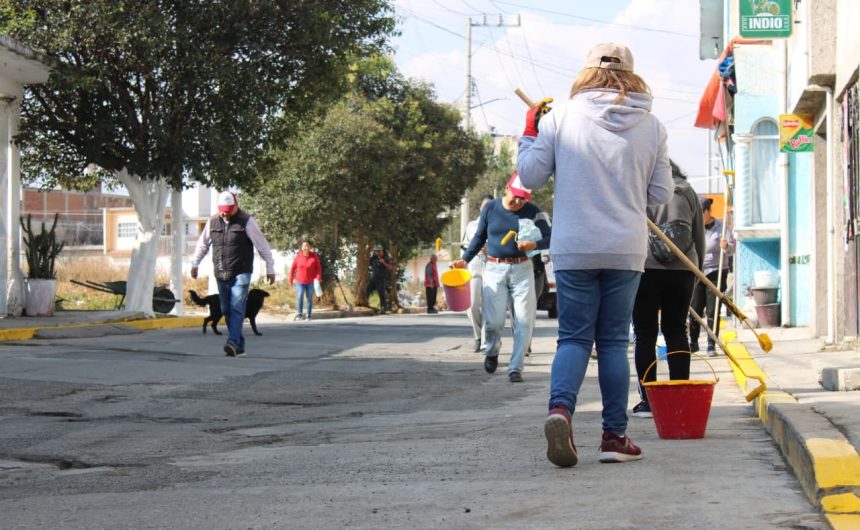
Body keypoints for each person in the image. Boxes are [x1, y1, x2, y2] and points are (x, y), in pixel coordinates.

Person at [517, 42, 674, 466]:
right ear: (632, 74)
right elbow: (661, 194)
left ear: (587, 72)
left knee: (573, 338)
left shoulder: (559, 118)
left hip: (575, 247)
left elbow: (529, 176)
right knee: (613, 342)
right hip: (624, 248)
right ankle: (614, 437)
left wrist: (530, 131)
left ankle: (560, 409)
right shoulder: (652, 126)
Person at [452, 173, 551, 383]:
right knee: (493, 321)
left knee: (524, 321)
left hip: (522, 270)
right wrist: (465, 260)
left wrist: (534, 245)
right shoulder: (491, 208)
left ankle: (516, 367)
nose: (518, 202)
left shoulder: (534, 212)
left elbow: (551, 236)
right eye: (515, 196)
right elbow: (479, 237)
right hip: (494, 269)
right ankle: (492, 350)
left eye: (523, 199)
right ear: (507, 188)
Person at [631, 160, 705, 419]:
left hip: (645, 268)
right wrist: (696, 273)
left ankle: (648, 401)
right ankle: (679, 398)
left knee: (645, 335)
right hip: (683, 269)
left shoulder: (638, 189)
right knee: (676, 331)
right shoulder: (687, 191)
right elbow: (698, 235)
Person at [191, 191, 276, 357]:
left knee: (237, 307)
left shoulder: (247, 221)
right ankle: (238, 346)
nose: (226, 214)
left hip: (241, 272)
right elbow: (202, 245)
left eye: (229, 210)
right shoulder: (212, 222)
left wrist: (270, 267)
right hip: (221, 272)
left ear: (236, 205)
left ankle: (231, 342)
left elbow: (262, 245)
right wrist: (195, 263)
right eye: (223, 210)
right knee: (226, 309)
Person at [689, 197, 735, 356]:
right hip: (697, 272)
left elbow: (732, 248)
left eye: (701, 213)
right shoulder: (694, 227)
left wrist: (726, 246)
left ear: (708, 211)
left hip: (716, 272)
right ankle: (693, 342)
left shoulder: (721, 227)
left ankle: (711, 344)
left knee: (712, 310)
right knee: (695, 308)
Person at [462, 194, 495, 351]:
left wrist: (490, 249)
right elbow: (465, 247)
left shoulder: (497, 224)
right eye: (485, 205)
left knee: (489, 307)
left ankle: (485, 340)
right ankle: (477, 335)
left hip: (492, 269)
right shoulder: (472, 226)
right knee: (472, 304)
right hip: (474, 269)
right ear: (481, 207)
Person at [289, 239, 322, 321]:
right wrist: (290, 279)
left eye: (308, 246)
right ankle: (299, 314)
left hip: (310, 281)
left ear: (310, 247)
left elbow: (318, 269)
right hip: (300, 281)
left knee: (309, 297)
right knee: (300, 295)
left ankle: (308, 315)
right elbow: (292, 268)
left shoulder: (314, 257)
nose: (306, 248)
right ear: (302, 248)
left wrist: (318, 278)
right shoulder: (298, 257)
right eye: (304, 246)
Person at [368, 244, 395, 313]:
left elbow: (391, 268)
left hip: (381, 279)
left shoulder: (386, 258)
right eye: (376, 251)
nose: (378, 252)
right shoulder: (374, 258)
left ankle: (384, 308)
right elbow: (367, 262)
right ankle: (365, 304)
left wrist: (384, 263)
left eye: (379, 251)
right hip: (373, 278)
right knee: (367, 290)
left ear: (382, 251)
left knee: (381, 294)